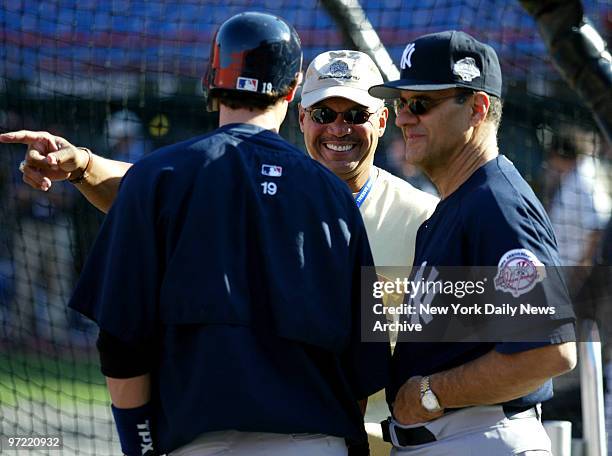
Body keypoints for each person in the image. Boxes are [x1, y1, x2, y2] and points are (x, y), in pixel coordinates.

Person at [3, 12, 390, 455]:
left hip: (198, 443)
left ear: (211, 80)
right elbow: (364, 360)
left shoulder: (158, 177)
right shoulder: (332, 196)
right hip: (315, 442)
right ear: (293, 87)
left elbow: (120, 341)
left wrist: (140, 446)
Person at [367, 30, 577, 454]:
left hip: (479, 436)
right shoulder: (456, 206)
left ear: (478, 108)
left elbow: (550, 351)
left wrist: (431, 392)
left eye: (421, 104)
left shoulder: (497, 204)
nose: (406, 117)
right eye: (400, 104)